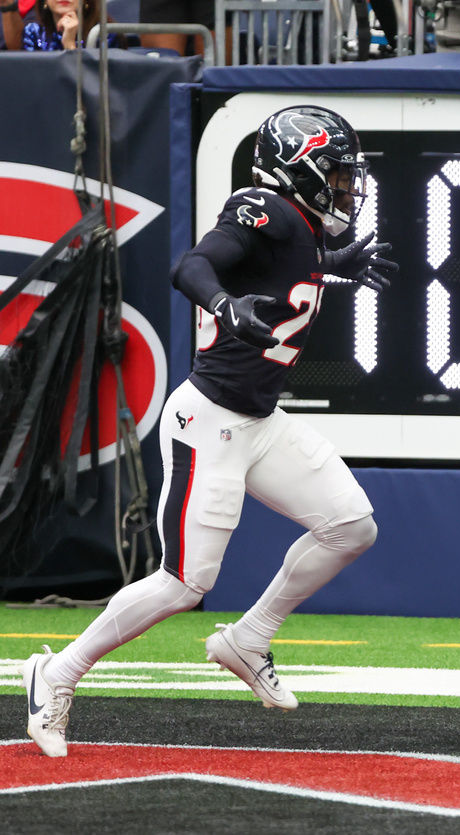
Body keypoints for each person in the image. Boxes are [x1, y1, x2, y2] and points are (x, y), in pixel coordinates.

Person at [22, 105, 397, 758]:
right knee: (185, 582)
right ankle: (56, 672)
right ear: (297, 168)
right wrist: (224, 304)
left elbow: (288, 266)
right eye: (334, 175)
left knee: (351, 525)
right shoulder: (264, 206)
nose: (345, 188)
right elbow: (193, 266)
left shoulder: (299, 226)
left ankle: (249, 638)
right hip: (212, 422)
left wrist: (334, 261)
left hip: (259, 420)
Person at [11, 0, 119, 50]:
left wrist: (69, 44)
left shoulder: (104, 33)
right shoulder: (33, 31)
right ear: (45, 1)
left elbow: (92, 85)